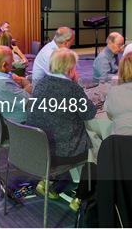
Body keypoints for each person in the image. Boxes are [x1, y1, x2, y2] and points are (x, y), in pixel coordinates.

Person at [26, 48, 96, 205]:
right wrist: (77, 84)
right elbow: (89, 113)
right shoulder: (72, 88)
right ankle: (81, 196)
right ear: (70, 69)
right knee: (97, 144)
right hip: (64, 151)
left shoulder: (41, 84)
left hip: (39, 147)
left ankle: (48, 181)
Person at [0, 46, 31, 123]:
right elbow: (29, 102)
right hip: (17, 123)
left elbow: (12, 77)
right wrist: (27, 84)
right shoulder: (4, 84)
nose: (13, 63)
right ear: (4, 65)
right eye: (12, 61)